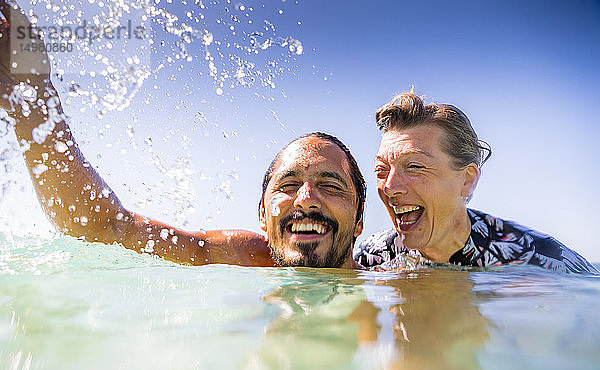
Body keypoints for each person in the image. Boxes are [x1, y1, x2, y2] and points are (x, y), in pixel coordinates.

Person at [0, 1, 365, 269]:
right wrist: (33, 100)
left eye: (331, 186)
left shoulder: (396, 281)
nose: (305, 199)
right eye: (287, 185)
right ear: (262, 219)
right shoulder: (249, 259)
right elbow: (102, 225)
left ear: (360, 220)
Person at [355, 91, 598, 274]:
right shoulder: (373, 257)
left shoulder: (542, 260)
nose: (390, 186)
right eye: (381, 169)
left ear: (467, 179)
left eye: (415, 166)